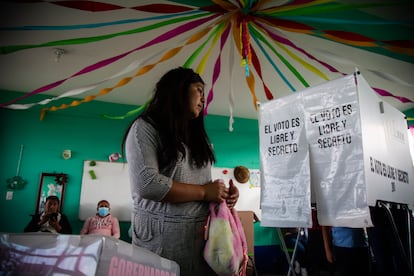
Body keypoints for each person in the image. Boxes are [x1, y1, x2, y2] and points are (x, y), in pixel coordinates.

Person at [122, 67, 239, 276]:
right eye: (199, 90)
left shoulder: (200, 140)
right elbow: (147, 184)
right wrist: (204, 192)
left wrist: (222, 196)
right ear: (178, 90)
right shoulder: (145, 128)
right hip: (159, 242)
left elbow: (205, 185)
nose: (203, 98)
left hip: (200, 242)